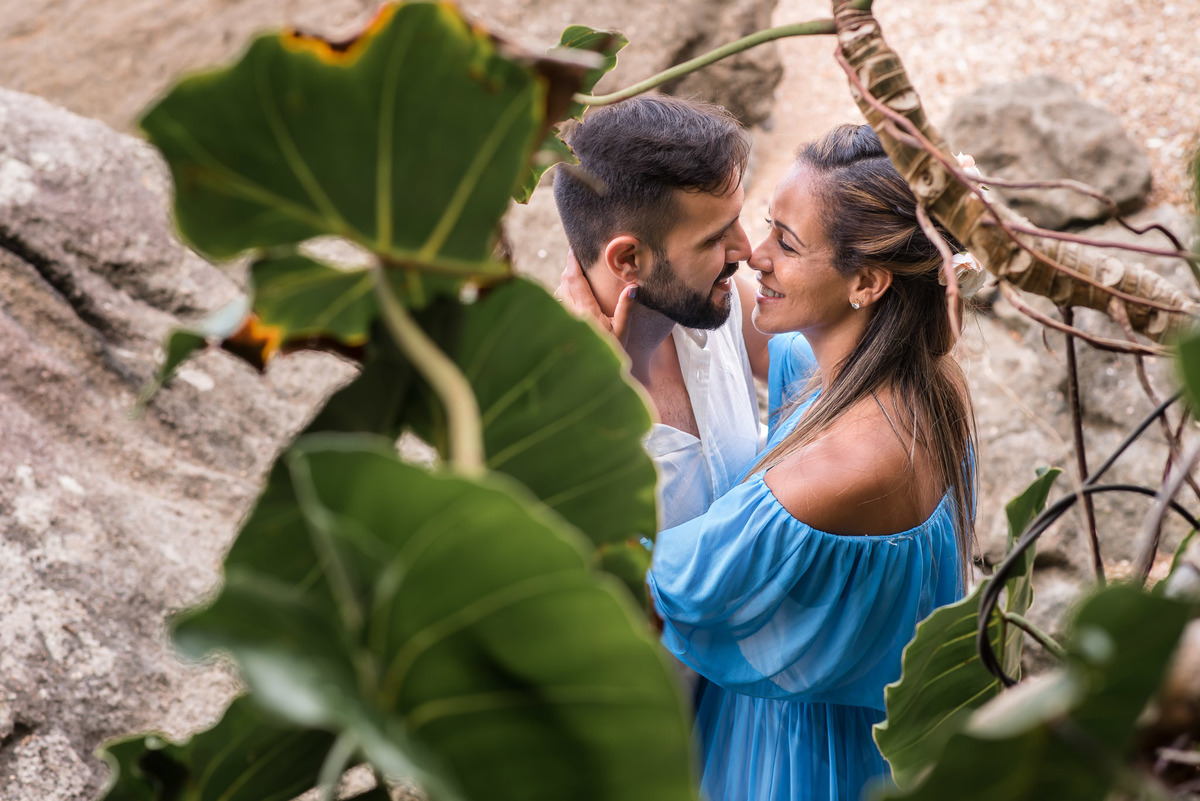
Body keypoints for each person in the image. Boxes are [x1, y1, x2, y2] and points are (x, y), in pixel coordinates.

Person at [648, 124, 977, 801]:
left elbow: (660, 584)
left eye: (787, 244)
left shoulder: (839, 469)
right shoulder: (921, 376)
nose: (755, 257)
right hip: (871, 741)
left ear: (868, 282)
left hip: (789, 760)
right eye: (764, 228)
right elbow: (770, 335)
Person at [553, 95, 772, 530]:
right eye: (713, 240)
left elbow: (823, 367)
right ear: (629, 259)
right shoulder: (552, 413)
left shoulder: (713, 298)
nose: (745, 250)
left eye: (737, 219)